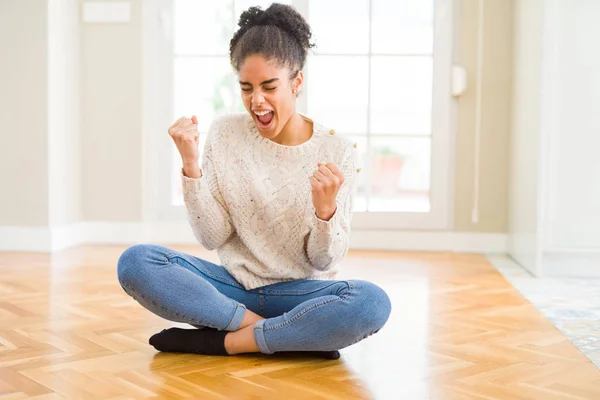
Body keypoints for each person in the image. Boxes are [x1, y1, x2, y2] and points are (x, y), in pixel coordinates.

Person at [117, 3, 391, 359]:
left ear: (297, 82)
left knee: (371, 303)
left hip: (303, 295)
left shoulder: (335, 149)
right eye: (246, 87)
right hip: (232, 290)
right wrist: (190, 165)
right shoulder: (225, 133)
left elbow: (324, 261)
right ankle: (284, 335)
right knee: (136, 262)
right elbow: (211, 237)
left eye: (269, 86)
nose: (256, 100)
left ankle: (225, 342)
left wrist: (325, 213)